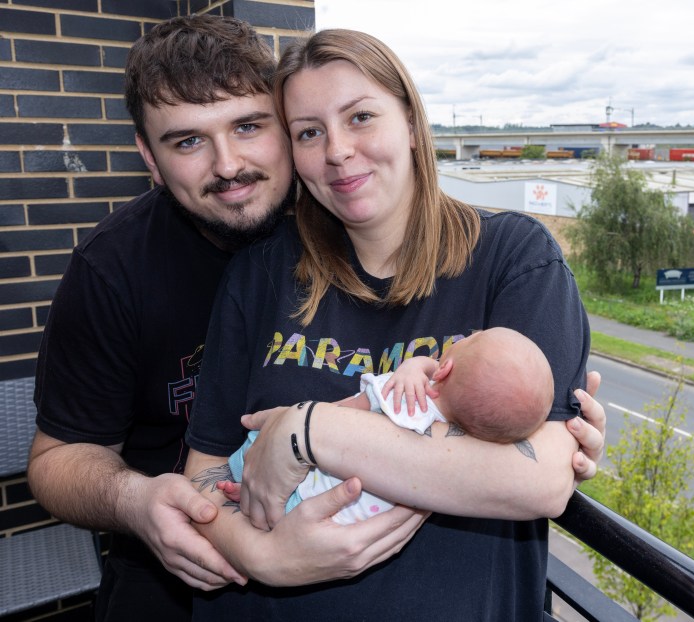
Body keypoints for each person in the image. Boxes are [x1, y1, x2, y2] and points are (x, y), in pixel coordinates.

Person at [183, 28, 604, 620]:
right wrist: (262, 555)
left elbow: (537, 483)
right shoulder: (262, 272)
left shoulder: (514, 257)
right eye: (309, 132)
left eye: (360, 117)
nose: (336, 151)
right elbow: (202, 474)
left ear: (410, 122)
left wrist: (309, 431)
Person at [26, 15, 426, 621]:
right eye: (187, 141)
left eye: (248, 126)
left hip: (372, 548)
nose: (229, 164)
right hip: (179, 561)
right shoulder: (113, 270)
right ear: (148, 157)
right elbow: (57, 460)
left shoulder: (347, 209)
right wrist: (136, 501)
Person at [224, 327, 555, 523]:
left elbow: (336, 414)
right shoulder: (464, 439)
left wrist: (298, 417)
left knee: (259, 448)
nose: (468, 334)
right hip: (342, 517)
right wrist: (415, 366)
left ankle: (239, 478)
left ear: (445, 370)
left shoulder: (399, 398)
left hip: (308, 493)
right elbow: (437, 370)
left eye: (469, 338)